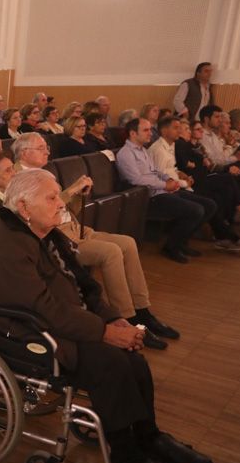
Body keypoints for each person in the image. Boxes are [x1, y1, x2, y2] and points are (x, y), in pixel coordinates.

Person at [0, 169, 213, 463]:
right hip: (32, 333)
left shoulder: (47, 235)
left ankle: (149, 439)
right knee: (111, 365)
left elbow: (85, 289)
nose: (61, 204)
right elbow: (44, 310)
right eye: (52, 197)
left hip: (67, 322)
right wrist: (104, 332)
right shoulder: (6, 246)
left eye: (59, 195)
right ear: (25, 207)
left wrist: (117, 321)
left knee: (135, 362)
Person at [14, 133, 179, 346]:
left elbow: (66, 208)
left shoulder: (45, 173)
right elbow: (39, 214)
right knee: (111, 252)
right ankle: (126, 319)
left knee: (128, 243)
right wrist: (70, 190)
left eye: (47, 147)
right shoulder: (19, 179)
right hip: (58, 235)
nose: (47, 151)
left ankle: (143, 310)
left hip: (75, 227)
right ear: (25, 153)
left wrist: (78, 195)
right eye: (41, 148)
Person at [148, 116, 240, 254]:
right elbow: (161, 179)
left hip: (180, 185)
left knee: (213, 202)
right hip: (165, 192)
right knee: (203, 205)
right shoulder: (159, 149)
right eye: (176, 128)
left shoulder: (171, 145)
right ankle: (173, 246)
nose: (179, 130)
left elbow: (171, 169)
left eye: (180, 127)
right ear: (164, 131)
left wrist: (181, 174)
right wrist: (184, 182)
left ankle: (183, 241)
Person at [117, 118, 215, 264]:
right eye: (145, 130)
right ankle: (171, 247)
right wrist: (164, 185)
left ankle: (181, 241)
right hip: (148, 197)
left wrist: (169, 179)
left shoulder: (142, 150)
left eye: (150, 129)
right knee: (196, 210)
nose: (150, 133)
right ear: (132, 133)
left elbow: (155, 170)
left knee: (209, 205)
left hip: (161, 191)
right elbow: (135, 180)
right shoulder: (126, 154)